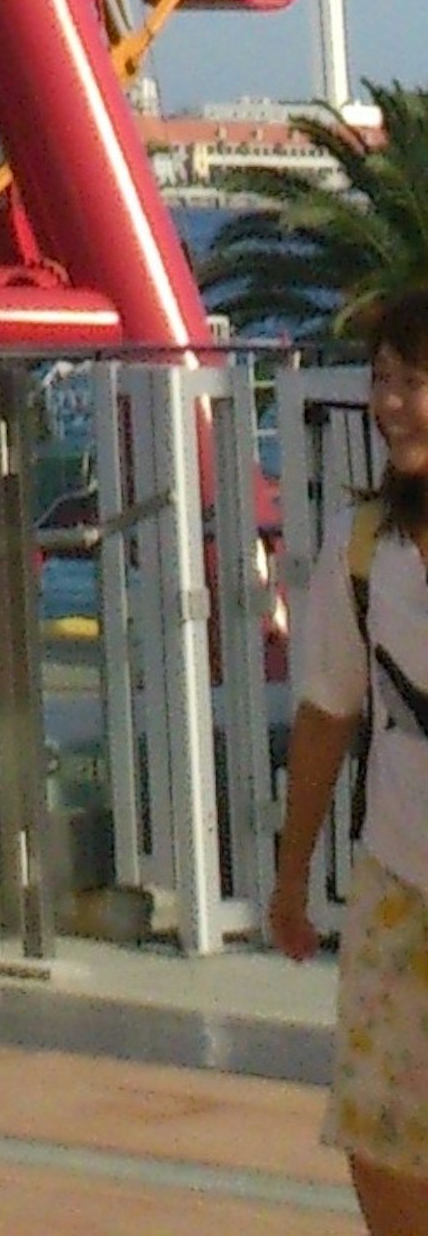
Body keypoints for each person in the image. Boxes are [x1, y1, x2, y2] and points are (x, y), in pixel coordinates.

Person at [271, 286, 428, 1236]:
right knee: (378, 1141)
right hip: (398, 882)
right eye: (381, 379)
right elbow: (327, 716)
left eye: (413, 380)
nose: (389, 402)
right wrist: (291, 881)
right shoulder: (365, 547)